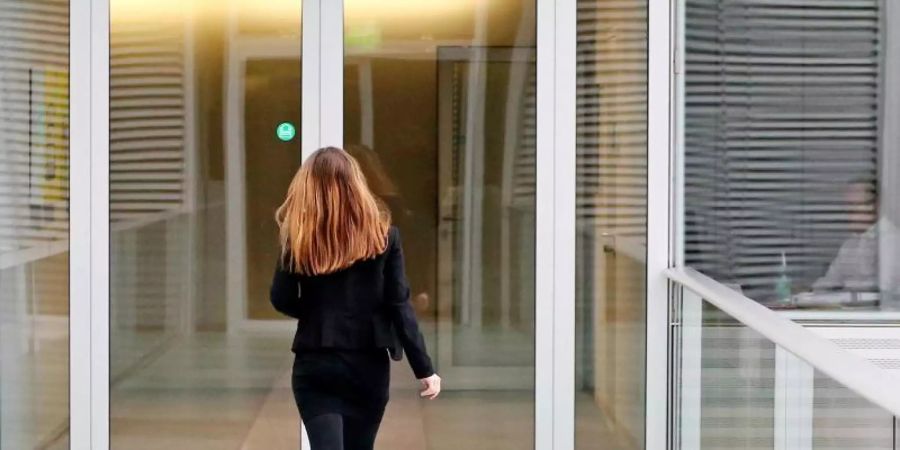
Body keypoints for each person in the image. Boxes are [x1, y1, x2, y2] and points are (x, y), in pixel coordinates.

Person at [270, 147, 441, 450]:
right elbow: (399, 304)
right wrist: (424, 368)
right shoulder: (384, 238)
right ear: (356, 185)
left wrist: (318, 315)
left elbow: (281, 298)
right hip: (367, 366)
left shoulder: (296, 238)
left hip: (316, 363)